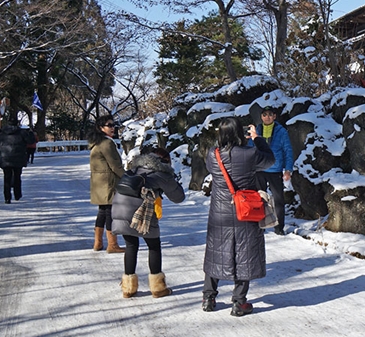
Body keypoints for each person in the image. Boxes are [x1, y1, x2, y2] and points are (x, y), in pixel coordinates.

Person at [203, 116, 275, 316]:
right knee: (245, 254)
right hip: (246, 210)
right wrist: (257, 139)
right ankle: (239, 302)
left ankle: (208, 297)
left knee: (215, 252)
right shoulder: (251, 153)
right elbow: (270, 160)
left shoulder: (212, 154)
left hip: (220, 211)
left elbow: (212, 168)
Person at [111, 147, 185, 299]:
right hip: (140, 213)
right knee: (154, 246)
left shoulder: (134, 169)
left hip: (119, 209)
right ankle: (158, 288)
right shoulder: (161, 174)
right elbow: (178, 197)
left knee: (131, 246)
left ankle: (128, 289)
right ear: (165, 161)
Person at [87, 114, 126, 253]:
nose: (112, 128)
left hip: (99, 184)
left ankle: (98, 243)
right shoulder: (107, 143)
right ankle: (112, 244)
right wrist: (127, 178)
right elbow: (115, 166)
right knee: (111, 213)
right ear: (100, 128)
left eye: (113, 125)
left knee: (103, 212)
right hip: (108, 183)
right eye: (109, 125)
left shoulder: (96, 143)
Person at [255, 106, 294, 235]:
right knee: (259, 199)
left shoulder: (281, 131)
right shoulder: (257, 130)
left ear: (274, 116)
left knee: (278, 200)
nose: (267, 117)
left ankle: (279, 227)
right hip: (259, 169)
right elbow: (250, 149)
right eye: (265, 115)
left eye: (270, 114)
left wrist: (288, 169)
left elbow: (288, 150)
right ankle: (259, 225)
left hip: (275, 170)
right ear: (261, 116)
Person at [0, 116, 36, 204]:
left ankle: (7, 197)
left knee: (7, 177)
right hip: (18, 158)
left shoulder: (2, 134)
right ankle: (17, 194)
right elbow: (31, 141)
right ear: (17, 123)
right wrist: (31, 132)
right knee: (17, 176)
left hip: (5, 158)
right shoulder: (22, 133)